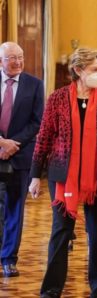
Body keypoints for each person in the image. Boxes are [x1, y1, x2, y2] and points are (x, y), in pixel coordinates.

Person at [28, 47, 97, 298]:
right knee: (61, 231)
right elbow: (44, 138)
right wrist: (34, 176)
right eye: (95, 69)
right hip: (63, 174)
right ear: (78, 71)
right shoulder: (58, 99)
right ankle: (51, 289)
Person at [0, 41, 44, 278]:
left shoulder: (35, 85)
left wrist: (12, 145)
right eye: (11, 58)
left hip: (21, 154)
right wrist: (1, 142)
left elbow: (37, 122)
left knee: (15, 209)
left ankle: (9, 258)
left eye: (20, 57)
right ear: (0, 62)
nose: (17, 62)